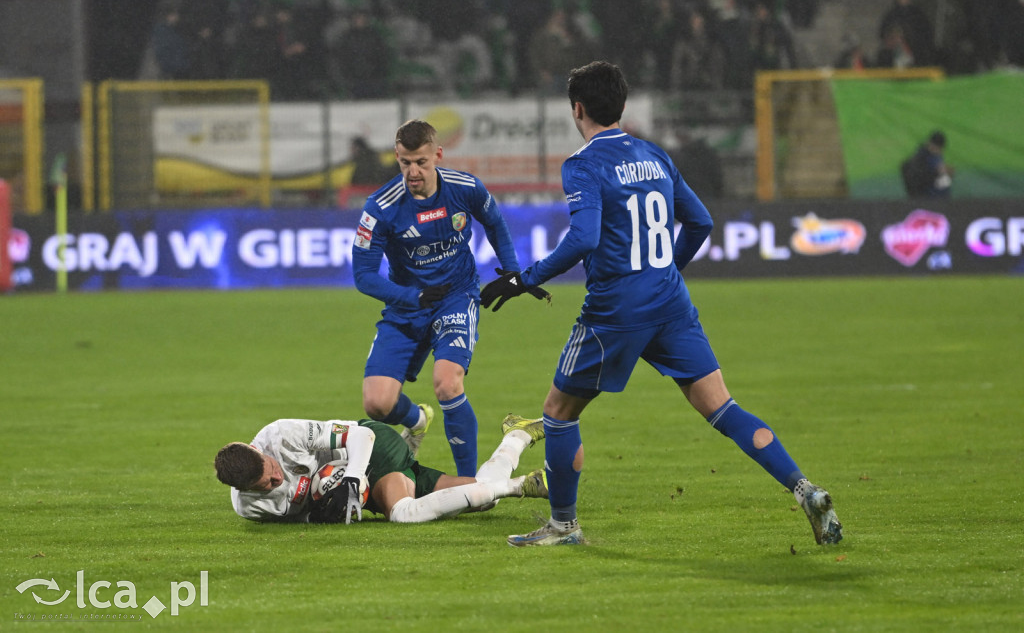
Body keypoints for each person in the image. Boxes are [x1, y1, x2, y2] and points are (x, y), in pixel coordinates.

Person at [481, 61, 843, 547]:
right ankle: (804, 489)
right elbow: (700, 221)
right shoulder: (654, 155)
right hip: (670, 301)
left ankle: (563, 526)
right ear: (623, 106)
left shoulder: (583, 163)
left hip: (616, 310)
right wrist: (665, 269)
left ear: (578, 109)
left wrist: (526, 279)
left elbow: (583, 236)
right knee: (723, 408)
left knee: (558, 412)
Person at [351, 119, 541, 478]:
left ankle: (467, 483)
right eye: (405, 163)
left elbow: (495, 223)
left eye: (421, 162)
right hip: (408, 304)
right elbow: (362, 275)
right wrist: (412, 296)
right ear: (396, 157)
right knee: (376, 404)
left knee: (447, 381)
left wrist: (511, 271)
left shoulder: (465, 187)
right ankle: (417, 419)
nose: (413, 171)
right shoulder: (380, 208)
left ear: (438, 155)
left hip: (456, 296)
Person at [214, 414, 547, 524]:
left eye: (272, 469)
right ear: (245, 491)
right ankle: (517, 435)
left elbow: (362, 435)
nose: (277, 478)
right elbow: (306, 516)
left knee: (403, 513)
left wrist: (353, 480)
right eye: (267, 484)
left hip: (370, 454)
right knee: (482, 497)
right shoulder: (250, 508)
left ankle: (519, 486)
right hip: (361, 490)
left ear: (258, 450)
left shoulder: (281, 435)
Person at [901, 130, 953, 198]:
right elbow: (918, 179)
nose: (939, 151)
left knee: (946, 181)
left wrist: (947, 172)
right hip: (924, 193)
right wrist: (937, 172)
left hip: (933, 187)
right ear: (931, 145)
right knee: (945, 184)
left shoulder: (935, 156)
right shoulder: (921, 157)